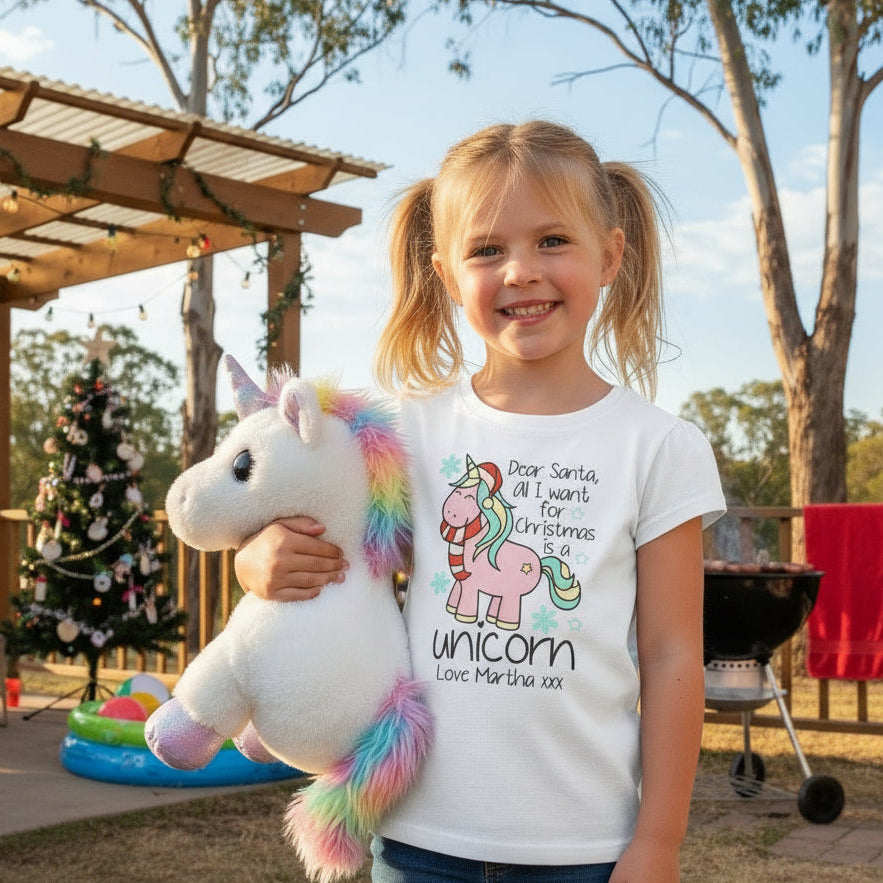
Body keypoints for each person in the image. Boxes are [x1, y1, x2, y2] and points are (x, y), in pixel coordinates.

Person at [234, 120, 725, 882]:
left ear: (611, 254)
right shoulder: (405, 431)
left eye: (552, 240)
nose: (521, 271)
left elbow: (670, 656)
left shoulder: (659, 447)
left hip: (585, 852)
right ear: (446, 273)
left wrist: (656, 842)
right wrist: (259, 560)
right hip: (417, 839)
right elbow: (330, 556)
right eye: (487, 249)